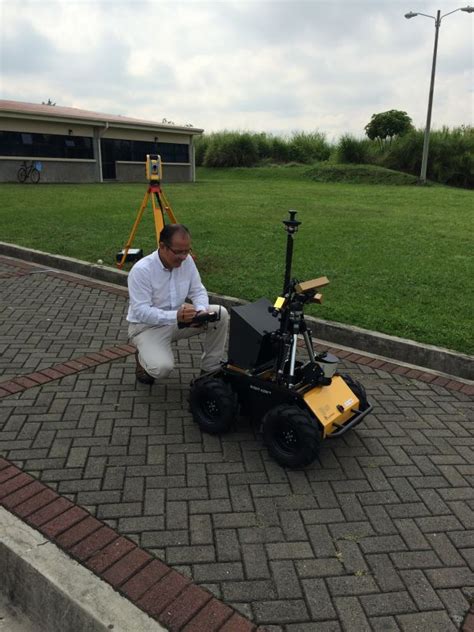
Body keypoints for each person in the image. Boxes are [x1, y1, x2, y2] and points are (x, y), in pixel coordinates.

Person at [127, 223, 229, 385]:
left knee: (220, 314)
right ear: (162, 246)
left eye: (187, 251)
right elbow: (141, 312)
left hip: (178, 321)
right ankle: (142, 357)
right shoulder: (141, 270)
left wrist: (201, 313)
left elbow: (198, 291)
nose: (184, 257)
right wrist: (176, 316)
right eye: (178, 252)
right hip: (146, 327)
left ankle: (210, 369)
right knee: (162, 369)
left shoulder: (187, 260)